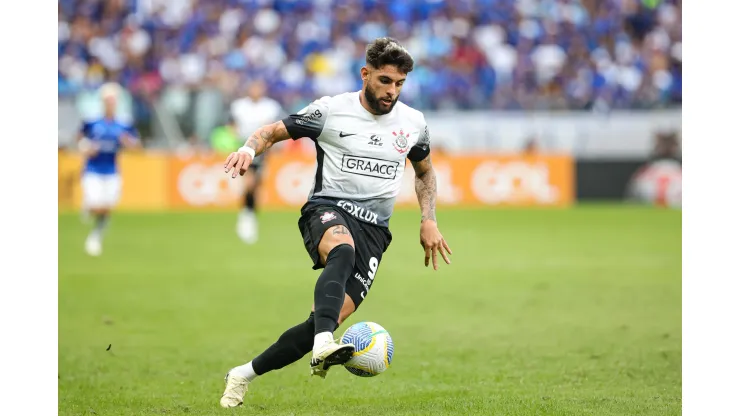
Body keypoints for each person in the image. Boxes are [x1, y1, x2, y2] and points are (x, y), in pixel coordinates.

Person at [220, 37, 453, 408]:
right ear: (365, 74)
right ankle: (324, 344)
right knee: (341, 249)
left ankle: (243, 374)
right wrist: (248, 149)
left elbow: (424, 173)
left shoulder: (413, 123)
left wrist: (429, 219)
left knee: (319, 323)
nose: (392, 91)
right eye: (384, 81)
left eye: (399, 84)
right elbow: (271, 131)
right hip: (328, 208)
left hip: (375, 231)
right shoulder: (331, 111)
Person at [77, 82, 140, 256]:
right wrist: (86, 148)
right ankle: (88, 207)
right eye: (108, 100)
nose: (111, 103)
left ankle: (95, 236)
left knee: (107, 207)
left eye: (113, 100)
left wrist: (128, 142)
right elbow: (80, 139)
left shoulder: (123, 123)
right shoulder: (92, 121)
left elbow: (136, 146)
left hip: (112, 170)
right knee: (97, 205)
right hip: (93, 170)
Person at [229, 79, 286, 244]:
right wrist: (236, 138)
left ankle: (250, 214)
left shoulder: (271, 106)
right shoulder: (239, 106)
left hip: (263, 151)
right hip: (245, 148)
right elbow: (231, 124)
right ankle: (246, 216)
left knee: (257, 184)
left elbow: (279, 126)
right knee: (250, 182)